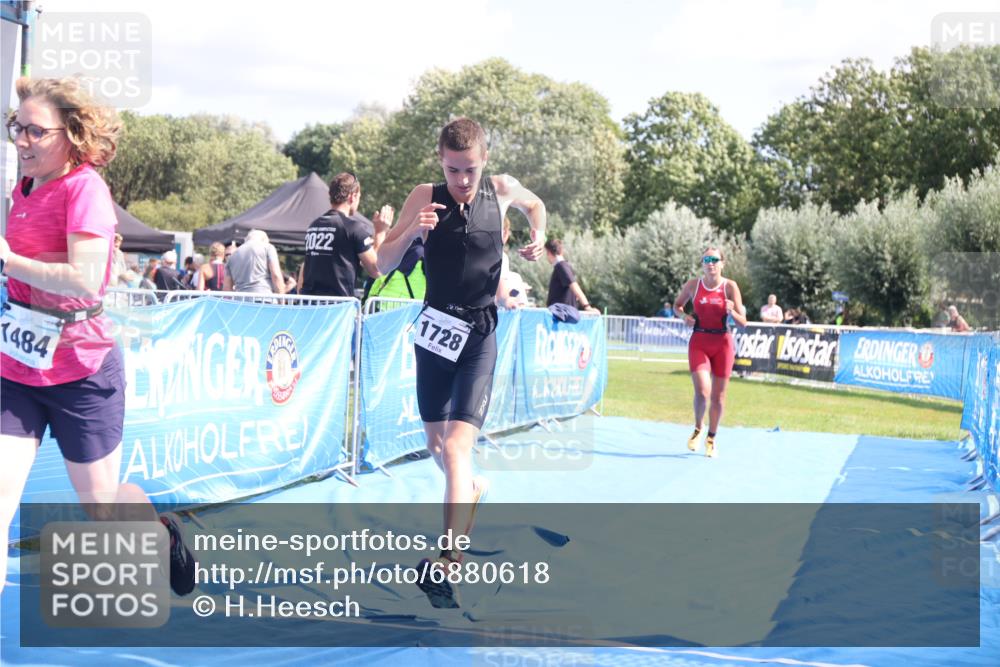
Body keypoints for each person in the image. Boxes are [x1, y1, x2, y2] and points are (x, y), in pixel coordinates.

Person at [0, 76, 195, 597]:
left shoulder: (85, 189)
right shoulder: (22, 190)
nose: (21, 140)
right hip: (18, 366)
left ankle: (160, 531)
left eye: (35, 132)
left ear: (73, 135)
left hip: (81, 368)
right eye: (15, 127)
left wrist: (8, 260)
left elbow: (87, 279)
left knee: (103, 508)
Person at [375, 117, 546, 607]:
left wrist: (538, 235)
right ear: (440, 161)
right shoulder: (423, 195)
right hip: (433, 333)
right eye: (453, 171)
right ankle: (470, 489)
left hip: (478, 335)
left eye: (469, 170)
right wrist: (411, 230)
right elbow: (383, 264)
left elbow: (536, 206)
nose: (462, 182)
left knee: (454, 447)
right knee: (436, 445)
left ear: (484, 161)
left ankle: (450, 561)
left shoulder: (503, 190)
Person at [673, 247, 747, 458]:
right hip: (699, 341)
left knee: (719, 397)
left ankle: (712, 439)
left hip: (723, 343)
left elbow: (743, 323)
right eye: (707, 259)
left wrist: (731, 311)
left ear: (722, 263)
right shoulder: (693, 285)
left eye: (715, 259)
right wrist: (683, 317)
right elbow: (677, 306)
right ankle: (698, 428)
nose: (711, 263)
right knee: (703, 391)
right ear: (702, 263)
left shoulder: (730, 286)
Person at [298, 172, 390, 297]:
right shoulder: (353, 228)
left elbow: (306, 267)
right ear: (353, 196)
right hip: (336, 309)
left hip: (310, 306)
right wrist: (380, 232)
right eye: (359, 197)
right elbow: (377, 270)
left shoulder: (314, 226)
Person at [544, 239, 599, 314]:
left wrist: (587, 307)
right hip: (561, 314)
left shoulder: (561, 266)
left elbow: (574, 286)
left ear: (548, 252)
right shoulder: (562, 266)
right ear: (561, 251)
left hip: (562, 316)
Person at [224, 229, 285, 294]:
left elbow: (227, 287)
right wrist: (282, 300)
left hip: (240, 299)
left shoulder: (232, 255)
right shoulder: (268, 247)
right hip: (263, 297)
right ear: (264, 240)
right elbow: (276, 275)